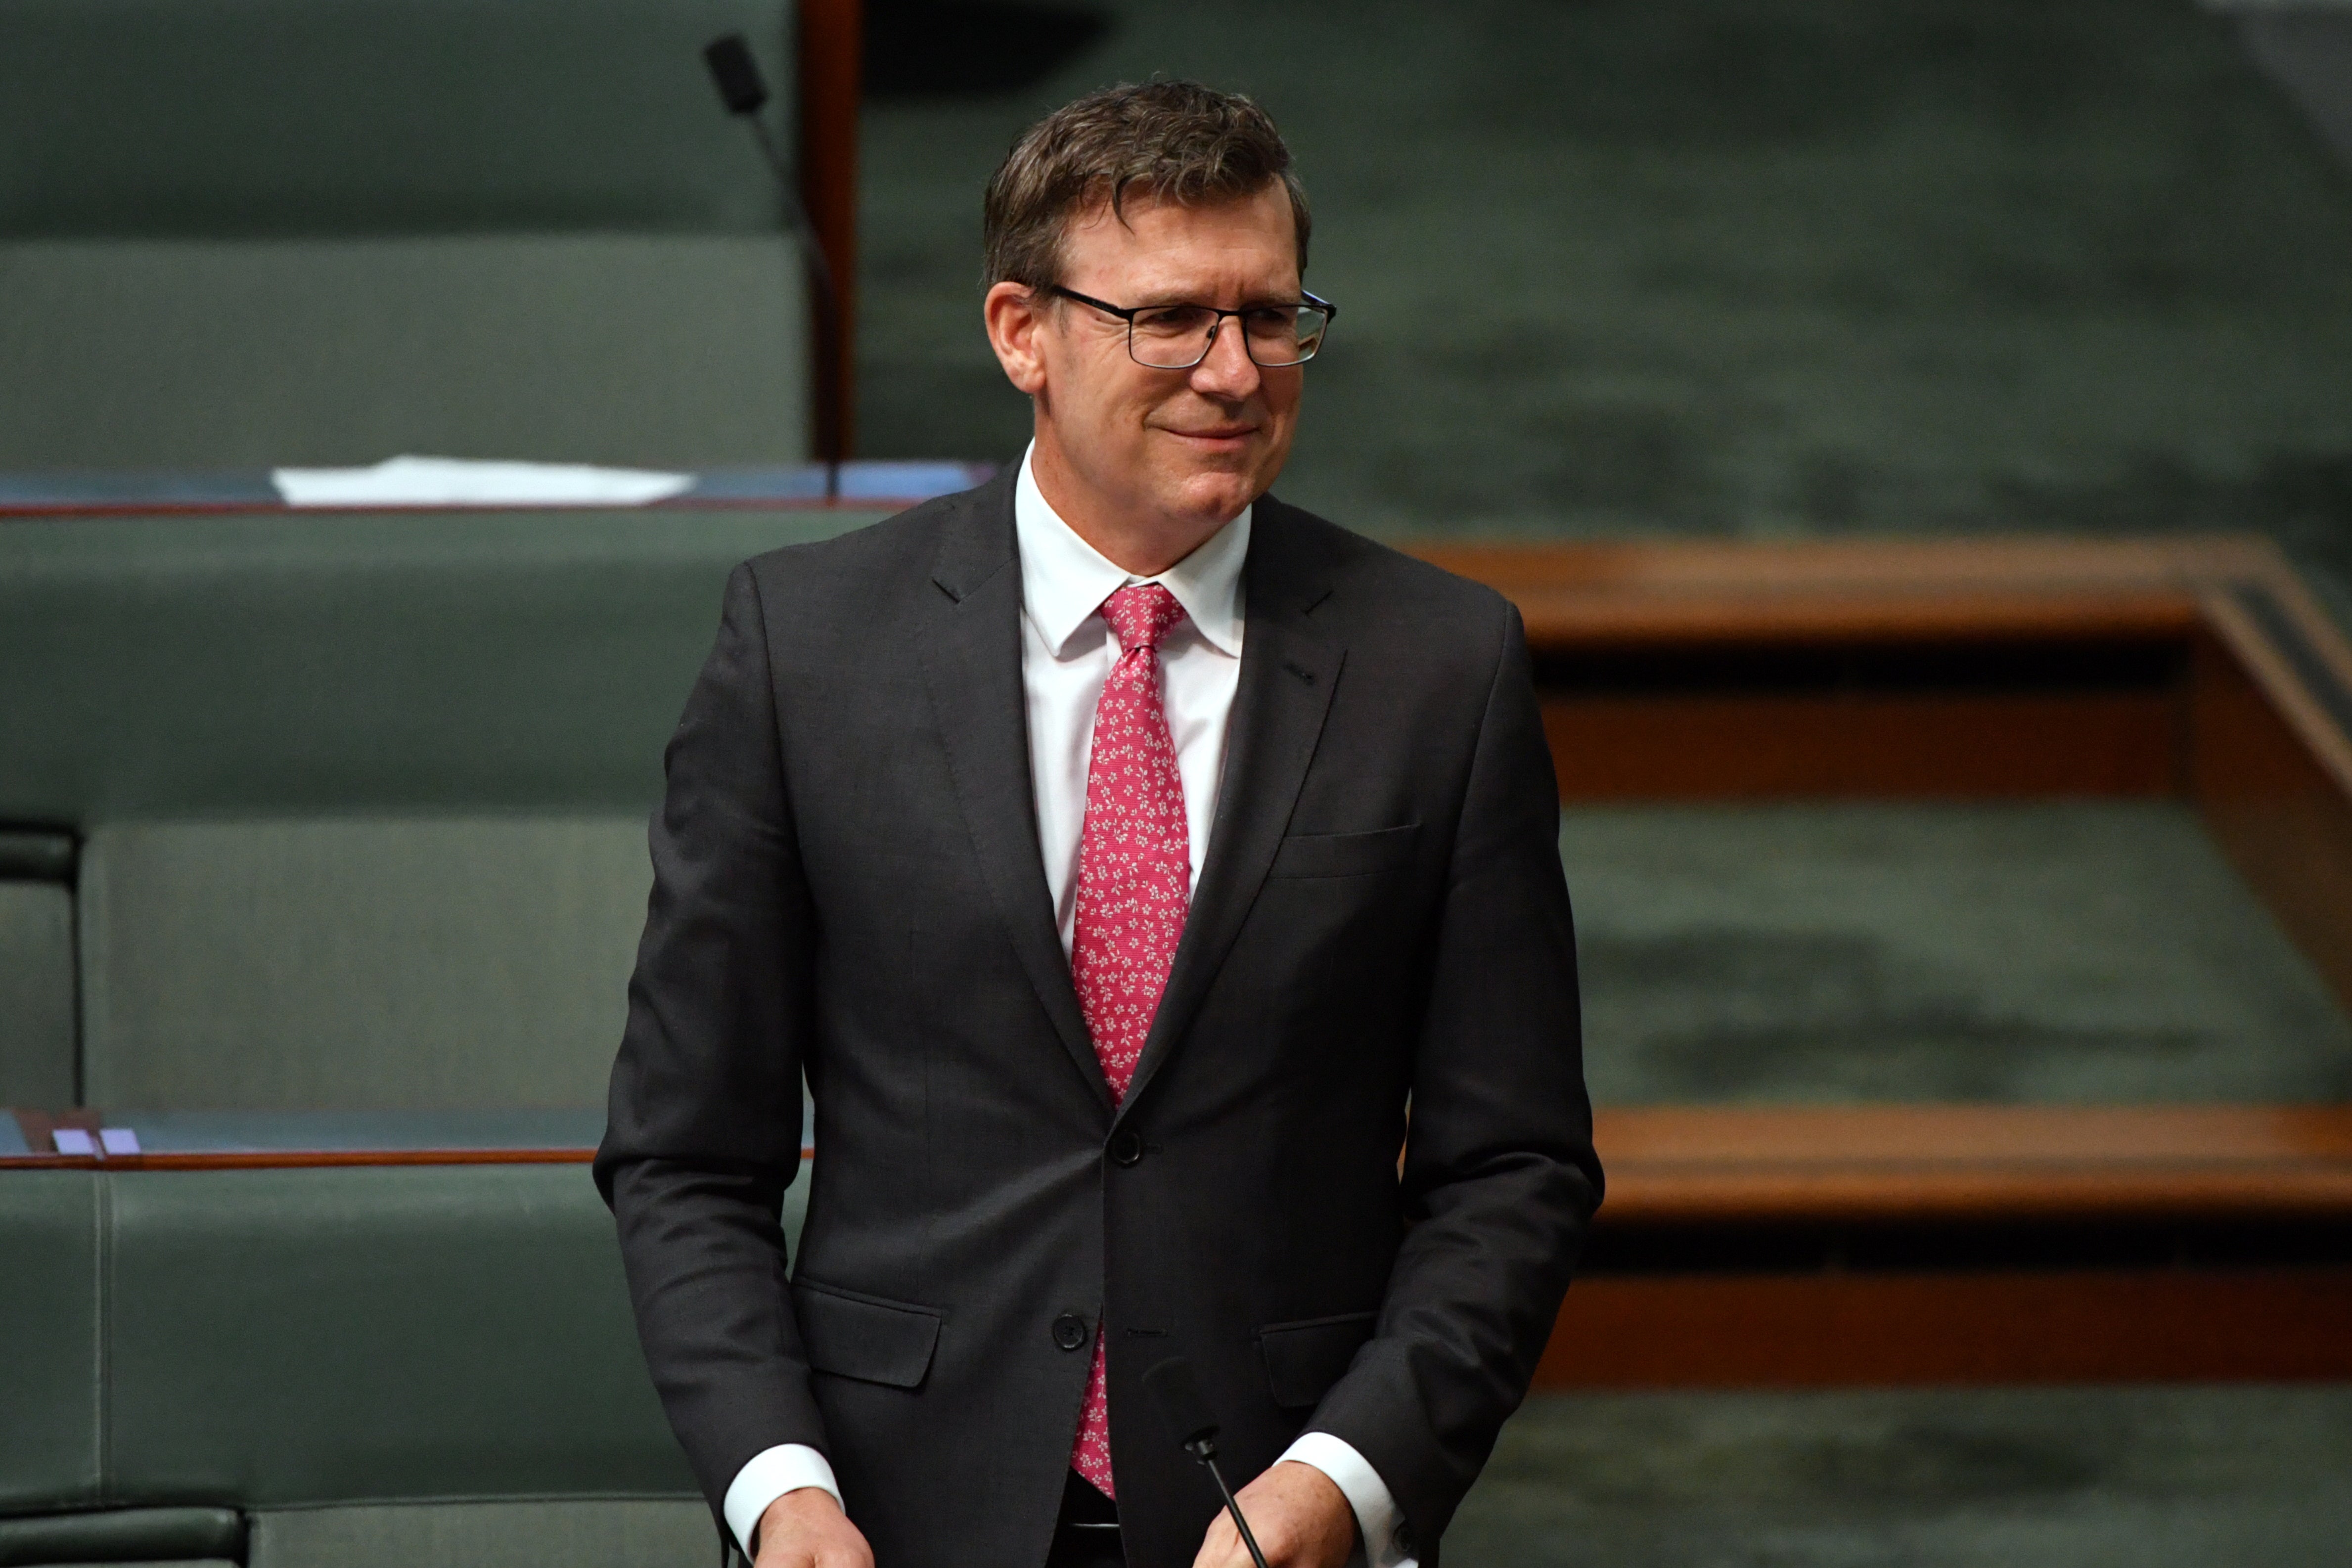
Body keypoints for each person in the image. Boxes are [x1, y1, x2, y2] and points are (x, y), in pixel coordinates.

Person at [596, 80, 1600, 1568]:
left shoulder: (1437, 668)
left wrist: (1346, 1475)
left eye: (1271, 316)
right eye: (1171, 318)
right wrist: (779, 1486)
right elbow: (687, 1152)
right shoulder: (806, 650)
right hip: (896, 1510)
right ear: (1022, 333)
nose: (1234, 370)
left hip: (1278, 1509)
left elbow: (1511, 1168)